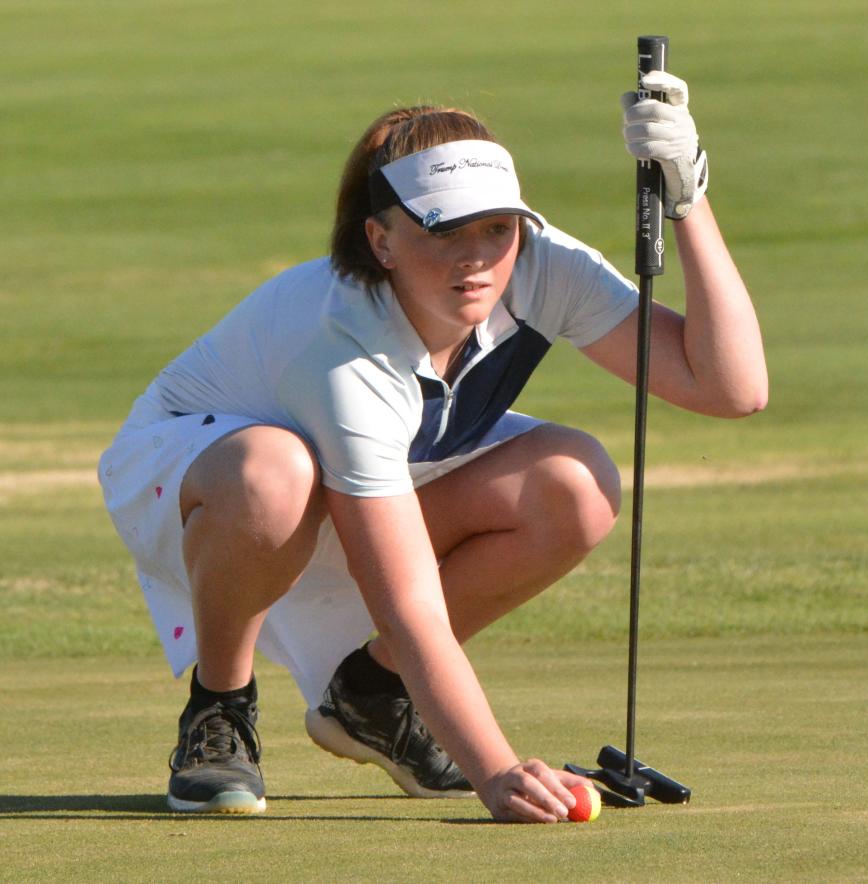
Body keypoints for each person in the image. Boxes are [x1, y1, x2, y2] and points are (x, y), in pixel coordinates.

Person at [98, 70, 767, 823]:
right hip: (200, 489)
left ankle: (373, 698)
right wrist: (497, 773)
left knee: (574, 483)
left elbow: (730, 388)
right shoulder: (344, 344)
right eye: (442, 231)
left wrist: (686, 196)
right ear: (380, 240)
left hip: (383, 468)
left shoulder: (543, 265)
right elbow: (408, 602)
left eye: (495, 228)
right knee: (274, 476)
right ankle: (219, 709)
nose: (476, 258)